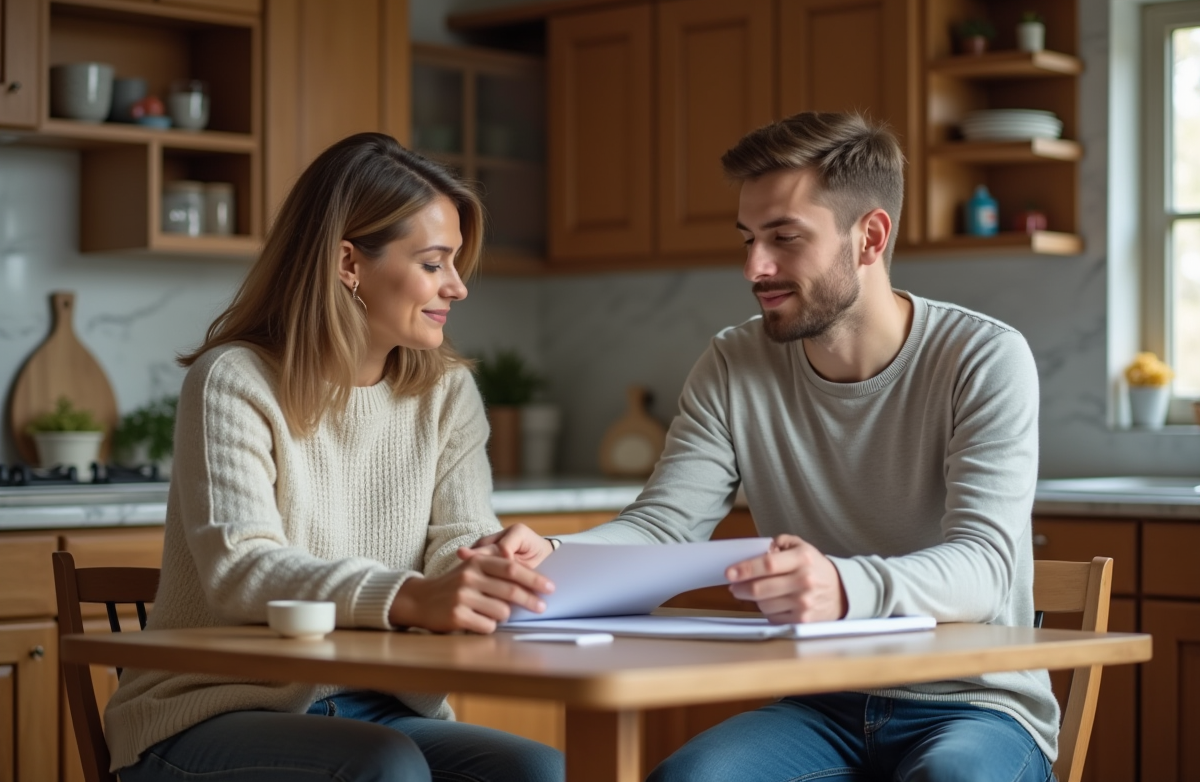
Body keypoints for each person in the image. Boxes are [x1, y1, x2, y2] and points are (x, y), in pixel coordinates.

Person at [476, 112, 1057, 782]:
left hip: (974, 703)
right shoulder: (732, 362)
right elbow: (665, 528)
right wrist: (553, 559)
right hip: (822, 704)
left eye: (784, 238)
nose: (756, 266)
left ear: (869, 237)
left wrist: (842, 586)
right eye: (749, 239)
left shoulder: (983, 357)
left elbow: (985, 566)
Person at [106, 132, 563, 782]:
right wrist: (411, 597)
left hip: (382, 707)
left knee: (535, 769)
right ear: (349, 263)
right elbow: (242, 567)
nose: (458, 287)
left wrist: (486, 561)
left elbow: (454, 540)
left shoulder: (445, 389)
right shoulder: (234, 379)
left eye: (456, 263)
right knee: (386, 767)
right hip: (210, 711)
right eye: (434, 263)